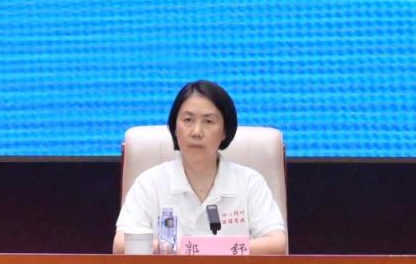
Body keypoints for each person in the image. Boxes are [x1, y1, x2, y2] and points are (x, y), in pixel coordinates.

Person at [113, 80, 288, 254]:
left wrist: (207, 249)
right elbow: (121, 245)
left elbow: (277, 245)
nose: (196, 132)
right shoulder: (150, 183)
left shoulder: (250, 182)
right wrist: (175, 248)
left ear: (225, 131)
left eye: (208, 122)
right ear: (174, 127)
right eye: (188, 120)